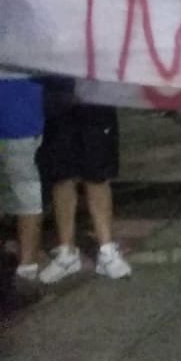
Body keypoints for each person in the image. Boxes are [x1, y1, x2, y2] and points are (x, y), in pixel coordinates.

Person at [35, 76, 131, 283]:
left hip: (96, 98)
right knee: (62, 176)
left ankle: (106, 250)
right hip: (57, 99)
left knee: (97, 175)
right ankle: (67, 253)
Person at [1, 73, 45, 282]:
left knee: (25, 192)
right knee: (17, 192)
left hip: (18, 119)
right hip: (19, 115)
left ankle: (27, 264)